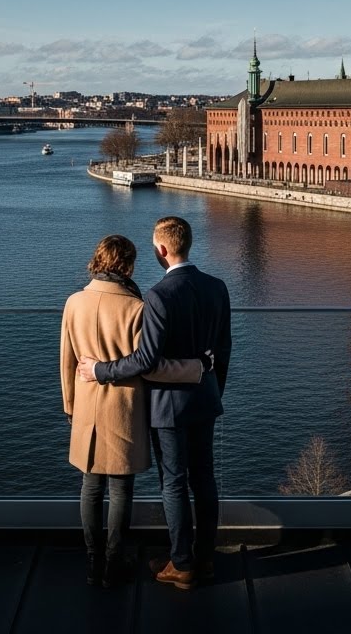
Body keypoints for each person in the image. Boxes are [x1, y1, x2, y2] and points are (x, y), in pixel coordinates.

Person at [78, 216, 232, 591]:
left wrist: (101, 369)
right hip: (206, 398)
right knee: (205, 480)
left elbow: (145, 361)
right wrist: (211, 386)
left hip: (168, 408)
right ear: (188, 244)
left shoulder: (159, 296)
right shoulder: (218, 287)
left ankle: (181, 564)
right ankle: (206, 558)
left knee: (174, 484)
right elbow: (224, 350)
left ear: (162, 250)